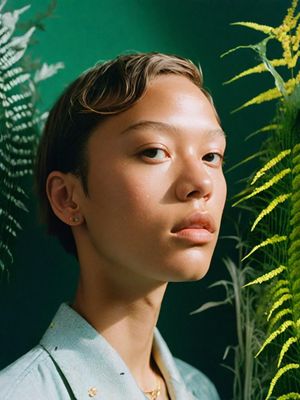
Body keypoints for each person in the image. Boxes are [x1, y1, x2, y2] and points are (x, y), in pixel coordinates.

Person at [0, 52, 226, 399]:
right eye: (153, 151)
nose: (201, 182)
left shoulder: (201, 390)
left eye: (211, 156)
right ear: (67, 198)